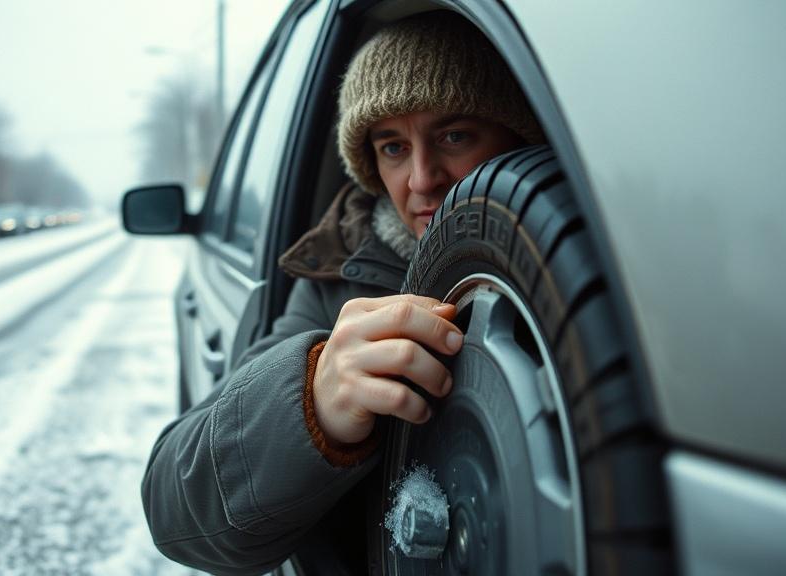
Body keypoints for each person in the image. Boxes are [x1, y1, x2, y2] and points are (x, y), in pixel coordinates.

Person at [141, 11, 543, 575]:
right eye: (393, 147)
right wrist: (313, 401)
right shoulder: (336, 280)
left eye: (454, 135)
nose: (422, 179)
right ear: (371, 164)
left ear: (519, 136)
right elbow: (173, 509)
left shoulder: (588, 268)